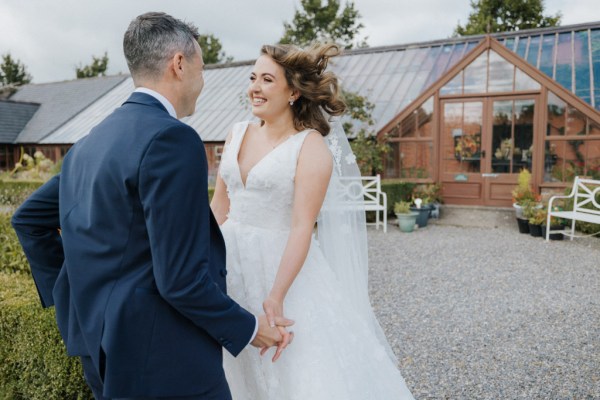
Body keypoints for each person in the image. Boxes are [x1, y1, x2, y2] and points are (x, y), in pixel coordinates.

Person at [11, 12, 293, 400]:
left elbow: (28, 219)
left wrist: (78, 295)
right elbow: (179, 278)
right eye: (201, 65)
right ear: (179, 64)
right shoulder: (172, 140)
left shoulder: (91, 142)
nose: (203, 79)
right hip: (161, 355)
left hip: (97, 344)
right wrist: (247, 328)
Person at [211, 43, 415, 399]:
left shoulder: (310, 147)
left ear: (292, 91)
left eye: (267, 79)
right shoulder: (236, 133)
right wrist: (202, 259)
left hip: (280, 264)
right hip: (228, 260)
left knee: (294, 371)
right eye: (253, 77)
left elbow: (303, 226)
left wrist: (276, 295)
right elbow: (219, 206)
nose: (254, 87)